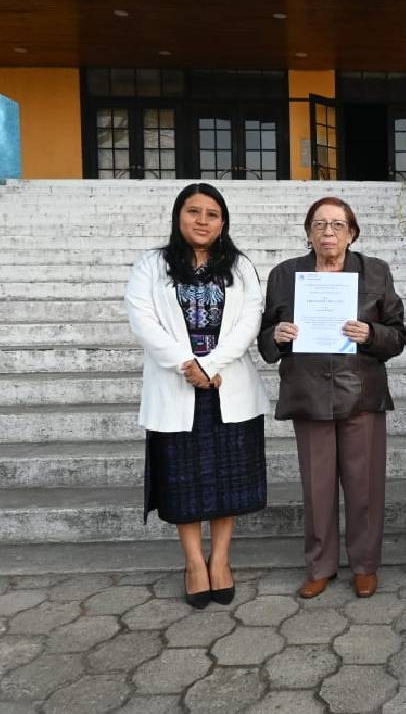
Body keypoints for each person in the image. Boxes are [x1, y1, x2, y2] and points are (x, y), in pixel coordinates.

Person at [125, 182, 270, 609]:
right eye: (193, 211)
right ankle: (193, 563)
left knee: (228, 480)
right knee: (183, 481)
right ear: (178, 217)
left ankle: (220, 559)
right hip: (176, 384)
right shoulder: (152, 265)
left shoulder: (240, 266)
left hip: (228, 384)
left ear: (223, 223)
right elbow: (142, 319)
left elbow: (250, 319)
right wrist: (186, 364)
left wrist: (211, 365)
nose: (202, 221)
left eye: (212, 214)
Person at [258, 197, 406, 600]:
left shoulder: (375, 272)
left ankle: (365, 565)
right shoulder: (284, 275)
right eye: (319, 224)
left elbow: (398, 336)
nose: (328, 232)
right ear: (308, 233)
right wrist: (277, 336)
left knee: (365, 487)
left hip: (361, 394)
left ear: (352, 233)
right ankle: (320, 566)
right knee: (317, 489)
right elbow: (265, 339)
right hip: (308, 394)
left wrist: (371, 334)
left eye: (338, 225)